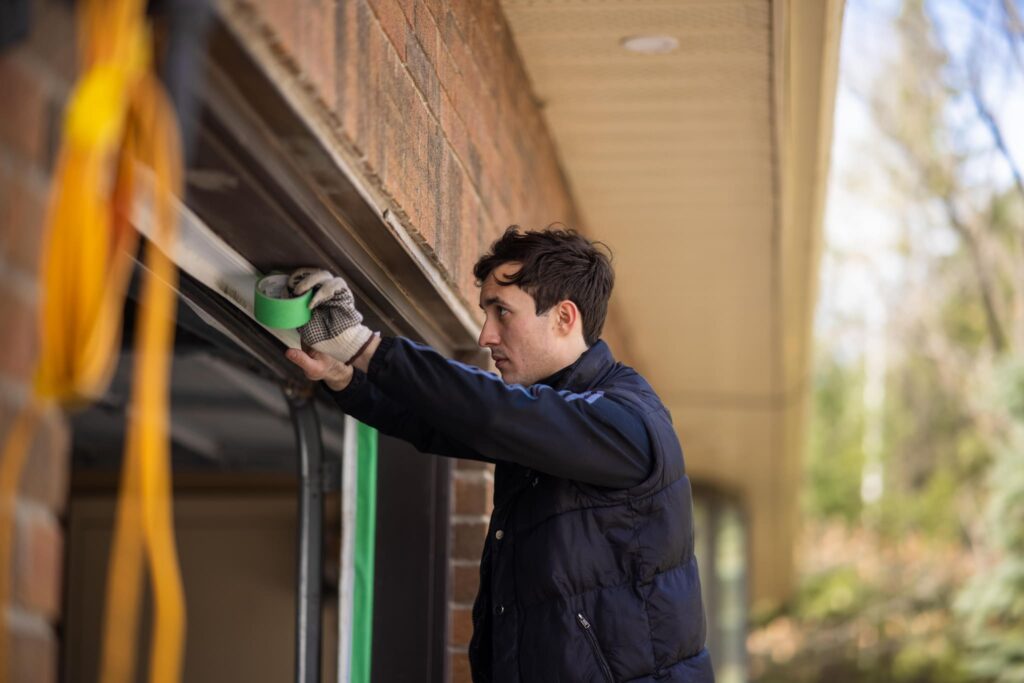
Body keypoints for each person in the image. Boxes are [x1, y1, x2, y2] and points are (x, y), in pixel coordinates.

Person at [285, 227, 714, 683]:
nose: (486, 334)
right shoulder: (544, 418)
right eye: (485, 312)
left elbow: (495, 414)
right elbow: (435, 422)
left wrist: (365, 347)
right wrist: (343, 377)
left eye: (502, 312)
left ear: (564, 318)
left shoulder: (626, 423)